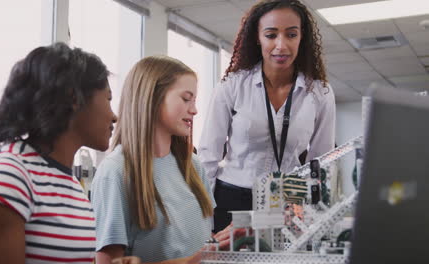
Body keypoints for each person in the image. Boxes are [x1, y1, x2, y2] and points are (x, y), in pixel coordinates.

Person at [0, 43, 133, 264]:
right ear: (74, 98)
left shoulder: (68, 183)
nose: (114, 116)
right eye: (108, 99)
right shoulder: (6, 179)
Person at [198, 0, 336, 233]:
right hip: (233, 196)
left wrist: (315, 214)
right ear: (257, 37)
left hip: (289, 197)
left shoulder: (319, 92)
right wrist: (203, 220)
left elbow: (320, 162)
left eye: (291, 35)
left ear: (302, 38)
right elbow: (207, 157)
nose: (281, 45)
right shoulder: (232, 86)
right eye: (271, 35)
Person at [92, 55, 219, 264]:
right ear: (153, 97)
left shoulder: (193, 166)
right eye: (186, 99)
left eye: (194, 101)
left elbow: (204, 243)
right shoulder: (115, 172)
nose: (194, 110)